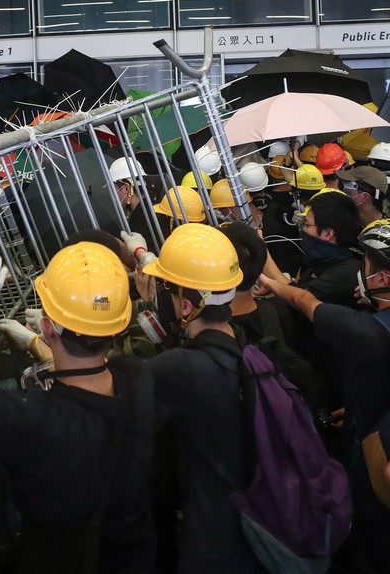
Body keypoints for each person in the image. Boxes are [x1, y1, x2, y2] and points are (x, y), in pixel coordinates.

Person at [0, 247, 156, 573]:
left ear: (46, 327)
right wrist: (36, 345)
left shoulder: (30, 420)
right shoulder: (138, 380)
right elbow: (92, 371)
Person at [257, 219, 390, 574]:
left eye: (366, 263)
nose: (359, 269)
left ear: (383, 280)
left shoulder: (362, 331)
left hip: (372, 467)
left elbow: (304, 300)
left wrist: (270, 282)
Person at [142, 223, 267, 573]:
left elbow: (107, 397)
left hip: (214, 546)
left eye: (167, 289)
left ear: (186, 306)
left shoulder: (181, 368)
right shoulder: (248, 348)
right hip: (259, 533)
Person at [264, 190, 361, 307]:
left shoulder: (346, 273)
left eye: (306, 224)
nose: (303, 229)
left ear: (328, 234)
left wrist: (261, 251)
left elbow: (297, 297)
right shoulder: (320, 259)